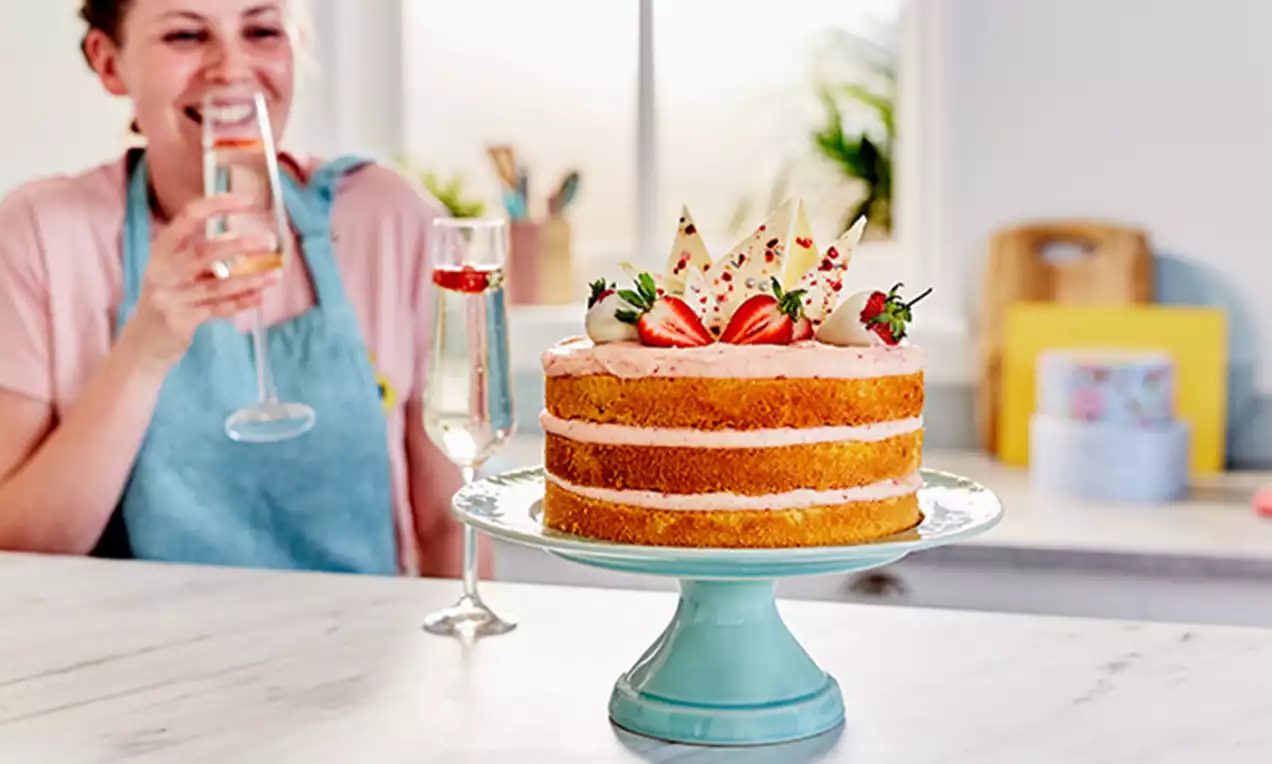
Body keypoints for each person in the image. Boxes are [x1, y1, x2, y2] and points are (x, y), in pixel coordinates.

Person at [0, 0, 475, 578]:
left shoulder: (389, 220)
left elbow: (450, 524)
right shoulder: (39, 234)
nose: (231, 68)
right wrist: (145, 353)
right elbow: (20, 545)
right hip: (128, 659)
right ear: (109, 63)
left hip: (365, 653)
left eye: (261, 30)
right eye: (184, 35)